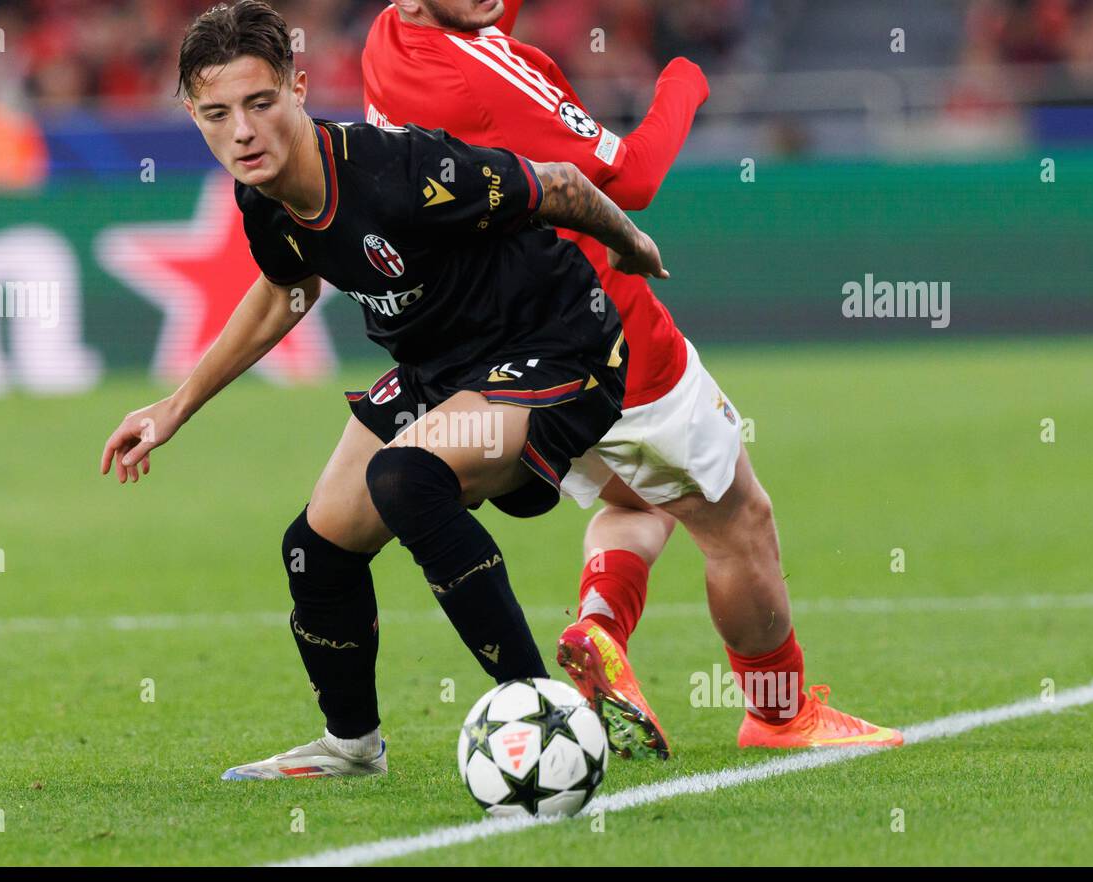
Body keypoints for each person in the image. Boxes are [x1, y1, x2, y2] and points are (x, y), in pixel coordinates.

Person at [99, 0, 673, 780]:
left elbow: (563, 186)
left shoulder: (399, 171)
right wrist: (173, 409)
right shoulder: (263, 196)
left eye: (260, 103)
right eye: (217, 113)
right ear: (192, 115)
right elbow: (285, 292)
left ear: (299, 87)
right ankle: (352, 747)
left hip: (556, 347)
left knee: (407, 477)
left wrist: (633, 245)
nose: (242, 131)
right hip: (443, 369)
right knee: (315, 550)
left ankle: (546, 717)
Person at [363, 0, 903, 754]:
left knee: (640, 501)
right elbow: (633, 179)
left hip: (512, 349)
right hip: (606, 333)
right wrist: (684, 81)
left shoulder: (390, 37)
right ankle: (781, 715)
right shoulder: (483, 76)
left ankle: (599, 627)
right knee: (738, 520)